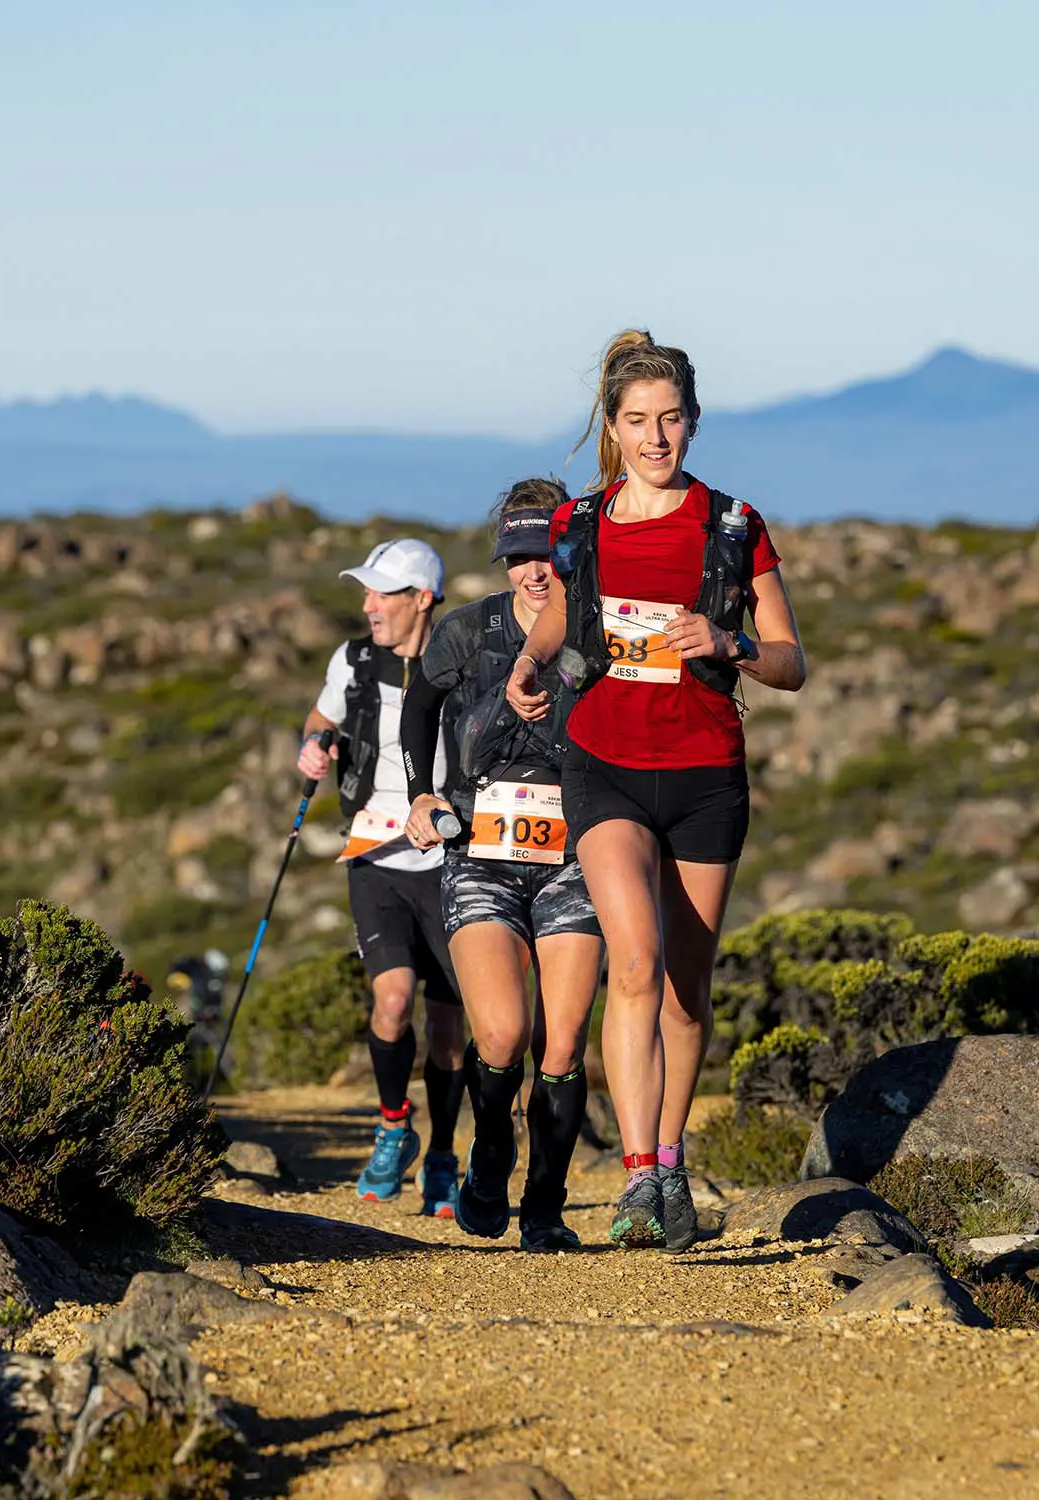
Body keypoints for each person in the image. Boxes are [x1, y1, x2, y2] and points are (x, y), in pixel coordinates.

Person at [506, 331, 808, 1251]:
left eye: (670, 418)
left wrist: (733, 647)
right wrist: (530, 657)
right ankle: (639, 1176)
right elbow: (566, 606)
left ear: (694, 422)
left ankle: (670, 1161)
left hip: (707, 775)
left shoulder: (733, 525)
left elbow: (793, 662)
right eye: (637, 420)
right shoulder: (581, 525)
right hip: (602, 765)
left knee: (685, 990)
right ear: (612, 425)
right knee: (630, 964)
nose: (656, 436)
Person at [398, 480, 601, 1252]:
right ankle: (489, 1160)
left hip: (575, 856)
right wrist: (421, 793)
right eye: (518, 557)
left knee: (563, 1042)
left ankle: (544, 1209)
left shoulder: (595, 633)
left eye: (547, 553)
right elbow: (418, 706)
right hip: (479, 855)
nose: (534, 572)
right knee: (502, 1033)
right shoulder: (467, 632)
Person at [298, 538, 467, 1213]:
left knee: (451, 1030)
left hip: (455, 861)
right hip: (375, 857)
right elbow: (320, 718)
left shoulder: (462, 661)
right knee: (393, 1002)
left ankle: (447, 1155)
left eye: (381, 593)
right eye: (365, 592)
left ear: (421, 599)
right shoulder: (355, 660)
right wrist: (312, 746)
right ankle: (394, 1126)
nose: (367, 605)